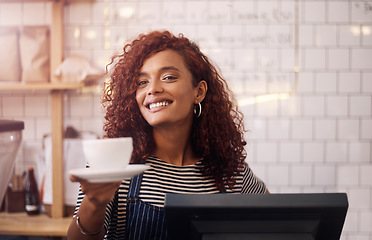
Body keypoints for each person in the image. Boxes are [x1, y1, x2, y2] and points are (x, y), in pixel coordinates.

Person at [67, 30, 268, 240]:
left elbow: (279, 224)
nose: (152, 89)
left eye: (168, 77)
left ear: (198, 92)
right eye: (142, 82)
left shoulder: (232, 173)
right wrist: (94, 204)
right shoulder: (113, 167)